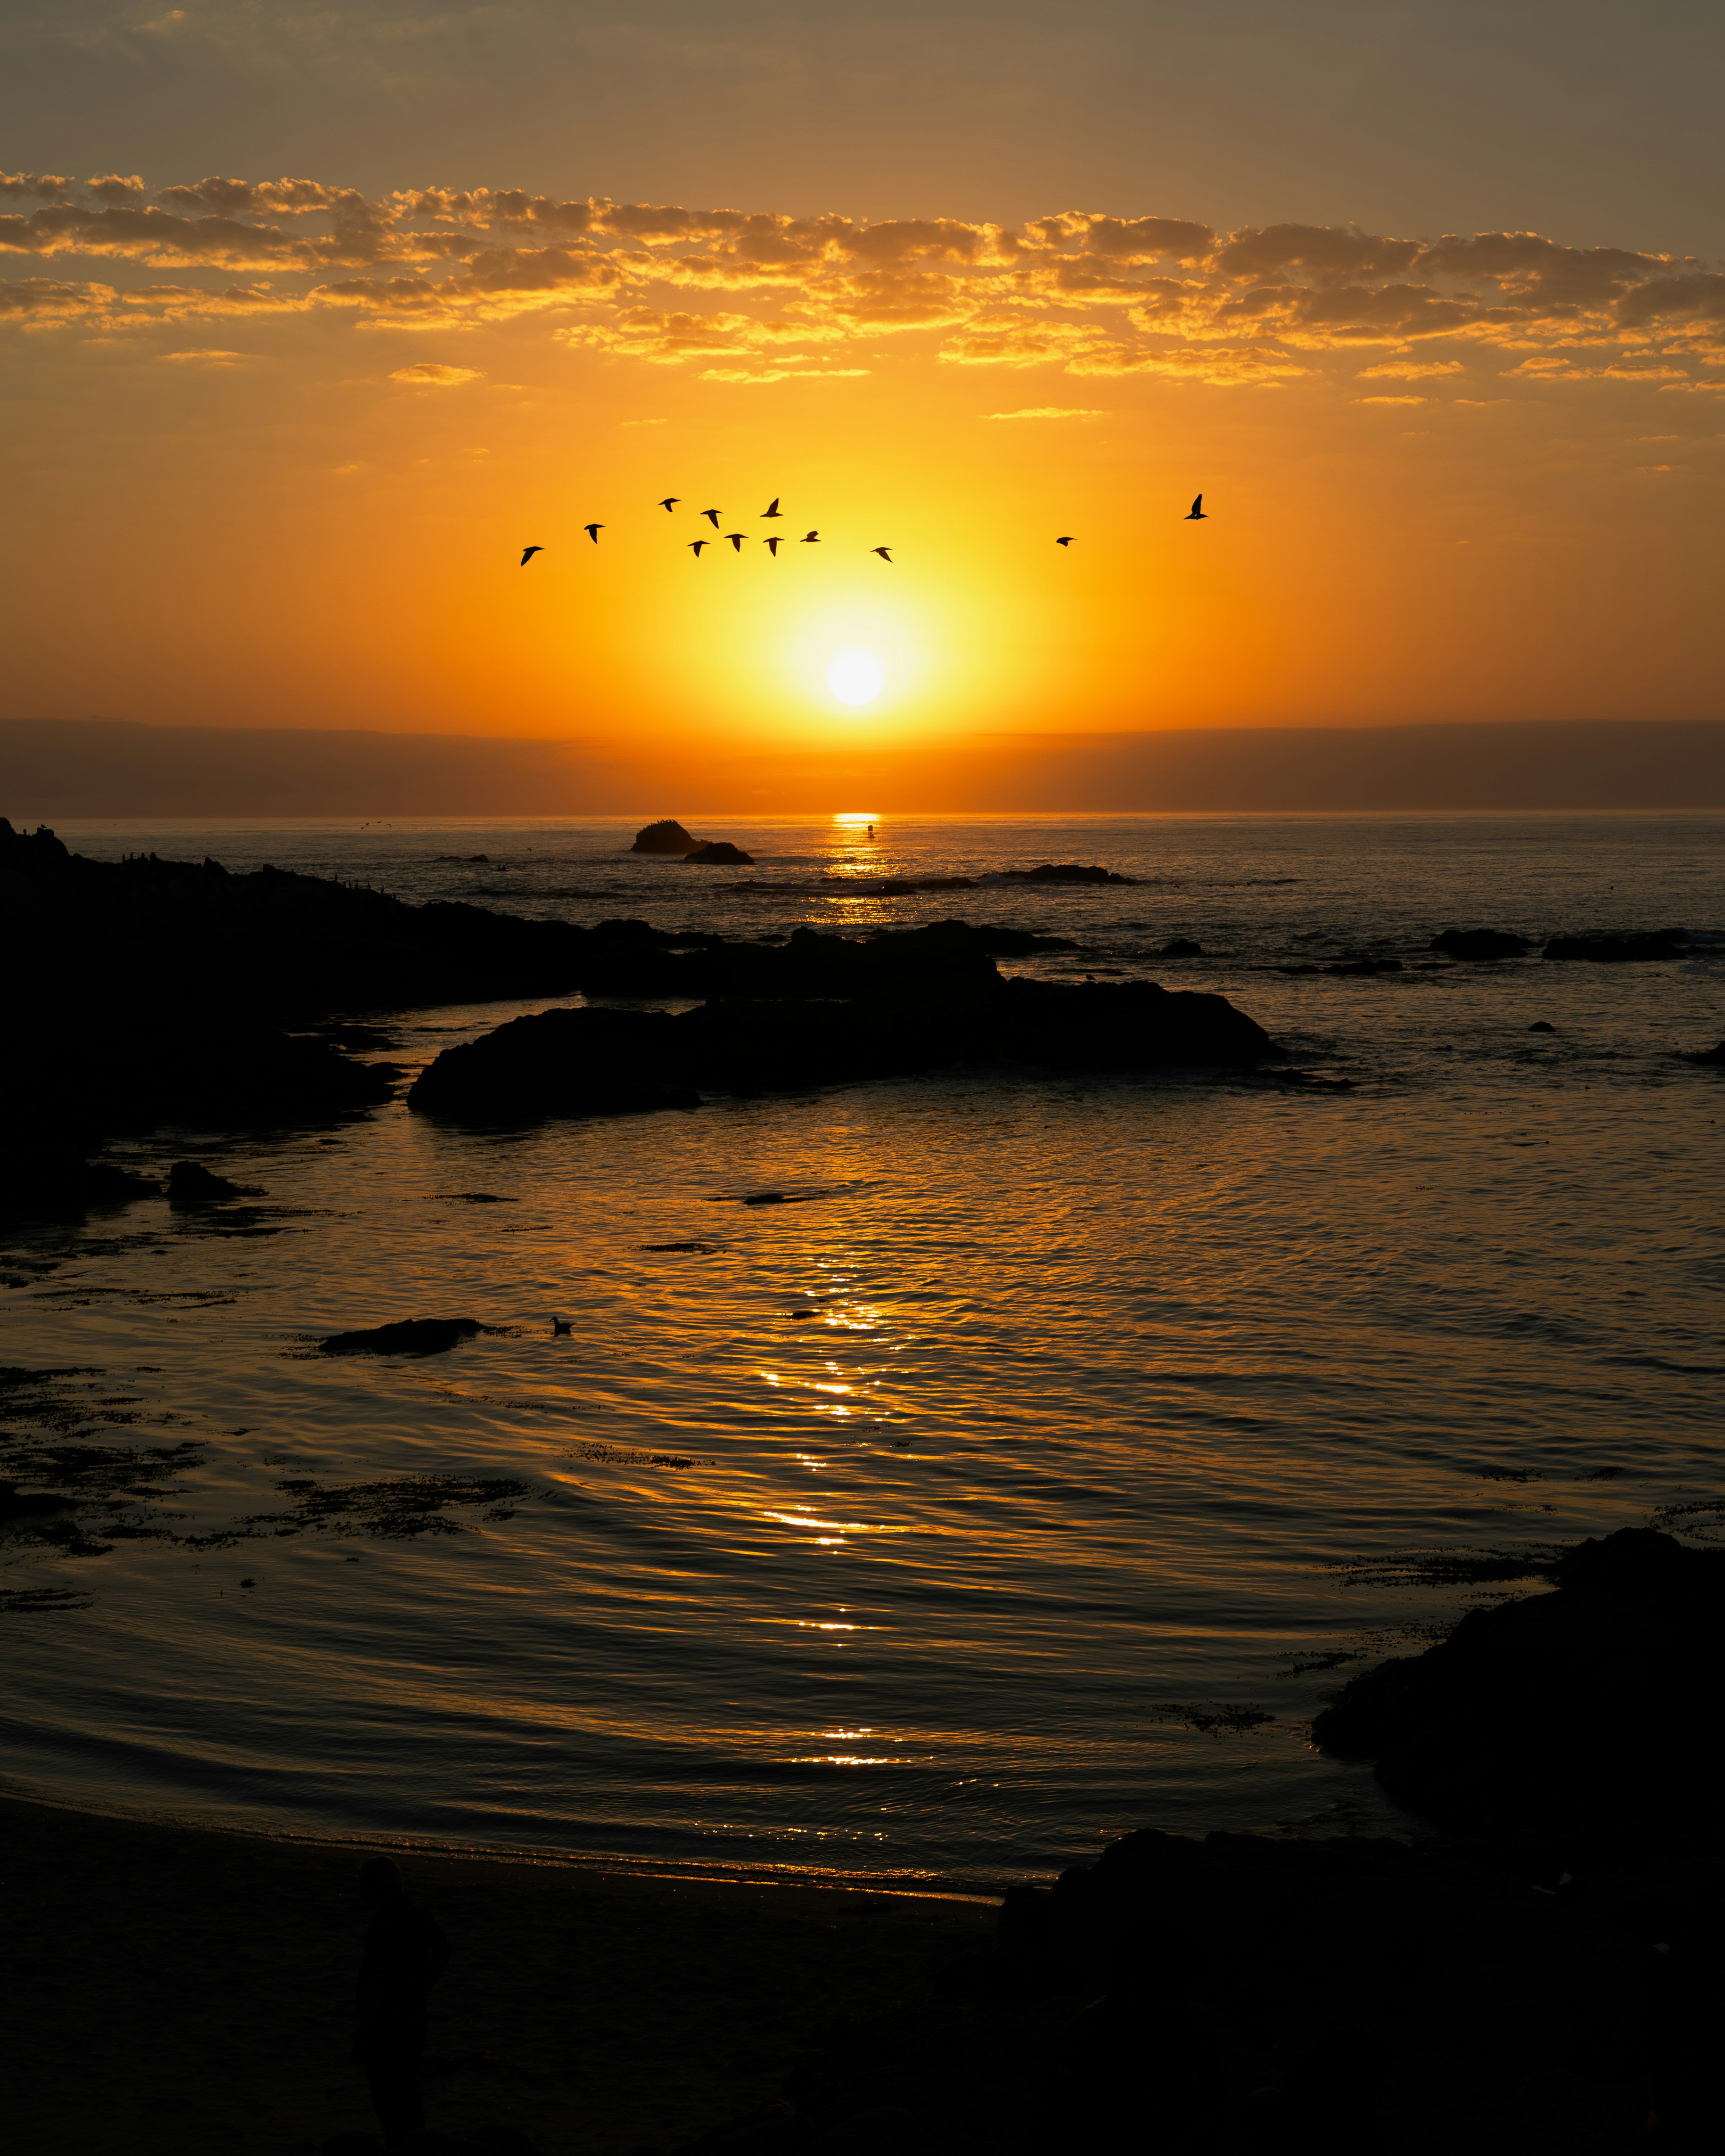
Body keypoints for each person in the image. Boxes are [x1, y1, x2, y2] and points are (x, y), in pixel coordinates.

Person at [352, 1856, 451, 2147]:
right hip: (415, 2017)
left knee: (388, 2096)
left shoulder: (384, 1927)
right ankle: (417, 2143)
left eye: (363, 1886)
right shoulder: (417, 1912)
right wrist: (422, 1987)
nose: (359, 1892)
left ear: (376, 1889)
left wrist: (363, 2035)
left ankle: (404, 2146)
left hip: (389, 2022)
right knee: (410, 2087)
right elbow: (444, 1950)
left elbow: (375, 1986)